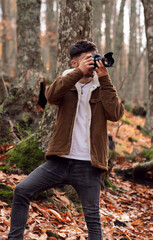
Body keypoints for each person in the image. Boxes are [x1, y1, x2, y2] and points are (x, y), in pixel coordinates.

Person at [8, 40, 124, 240]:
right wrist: (78, 73)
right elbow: (50, 96)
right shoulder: (66, 83)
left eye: (94, 58)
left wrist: (105, 79)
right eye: (87, 60)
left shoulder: (101, 86)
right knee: (21, 190)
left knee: (93, 217)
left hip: (89, 164)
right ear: (74, 63)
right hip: (59, 161)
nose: (92, 63)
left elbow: (116, 114)